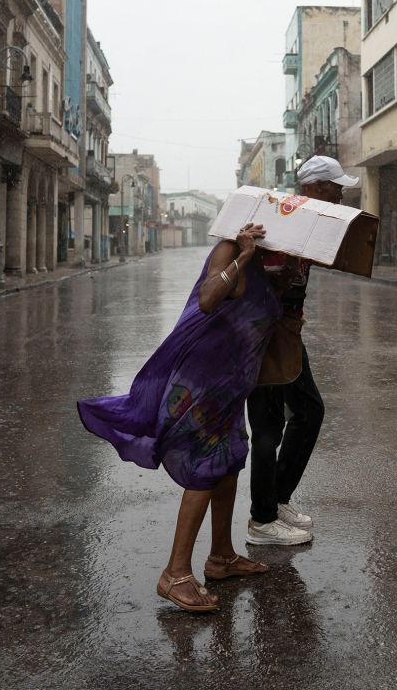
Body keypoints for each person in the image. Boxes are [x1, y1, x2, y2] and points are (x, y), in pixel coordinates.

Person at [78, 223, 282, 613]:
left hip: (230, 381)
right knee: (208, 462)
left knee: (231, 458)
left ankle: (221, 557)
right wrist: (242, 256)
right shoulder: (231, 252)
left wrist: (283, 281)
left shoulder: (272, 268)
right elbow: (208, 299)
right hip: (203, 377)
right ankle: (174, 574)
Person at [244, 156, 359, 547]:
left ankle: (275, 501)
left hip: (285, 332)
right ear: (315, 188)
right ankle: (262, 520)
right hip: (262, 334)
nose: (342, 193)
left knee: (307, 411)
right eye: (335, 186)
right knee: (268, 424)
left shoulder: (308, 222)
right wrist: (282, 277)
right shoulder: (281, 220)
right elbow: (251, 275)